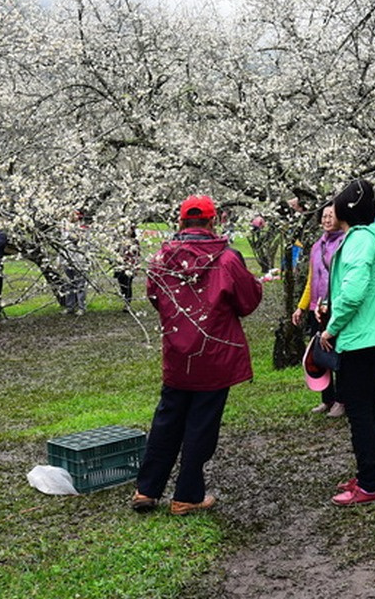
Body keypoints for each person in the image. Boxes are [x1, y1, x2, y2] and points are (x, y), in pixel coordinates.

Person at [132, 195, 262, 515]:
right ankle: (187, 495)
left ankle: (146, 489)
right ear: (212, 221)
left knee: (167, 419)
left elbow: (154, 295)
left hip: (178, 353)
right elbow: (247, 302)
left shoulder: (162, 257)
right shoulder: (227, 259)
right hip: (214, 353)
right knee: (201, 425)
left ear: (180, 222)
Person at [319, 179, 375, 506]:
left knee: (359, 410)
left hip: (361, 337)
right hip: (374, 335)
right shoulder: (369, 238)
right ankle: (368, 473)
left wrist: (331, 328)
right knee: (368, 407)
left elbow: (354, 291)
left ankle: (369, 484)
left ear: (346, 210)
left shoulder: (358, 240)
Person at [292, 203, 346, 417]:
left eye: (331, 216)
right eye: (323, 216)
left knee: (338, 353)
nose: (326, 220)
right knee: (320, 355)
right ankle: (327, 399)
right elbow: (311, 280)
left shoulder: (343, 243)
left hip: (335, 307)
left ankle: (342, 400)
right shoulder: (316, 246)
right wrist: (301, 307)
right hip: (317, 308)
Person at [59, 213, 89, 316]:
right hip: (67, 259)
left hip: (79, 261)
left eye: (75, 214)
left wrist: (68, 232)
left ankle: (81, 307)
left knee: (80, 285)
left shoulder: (82, 227)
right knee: (69, 284)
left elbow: (77, 240)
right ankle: (70, 306)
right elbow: (61, 244)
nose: (72, 216)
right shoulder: (64, 226)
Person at [113, 223, 141, 307]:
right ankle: (124, 298)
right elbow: (116, 250)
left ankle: (127, 303)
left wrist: (136, 265)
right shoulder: (120, 240)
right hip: (120, 264)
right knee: (121, 283)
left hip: (130, 265)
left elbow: (137, 254)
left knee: (128, 283)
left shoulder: (135, 241)